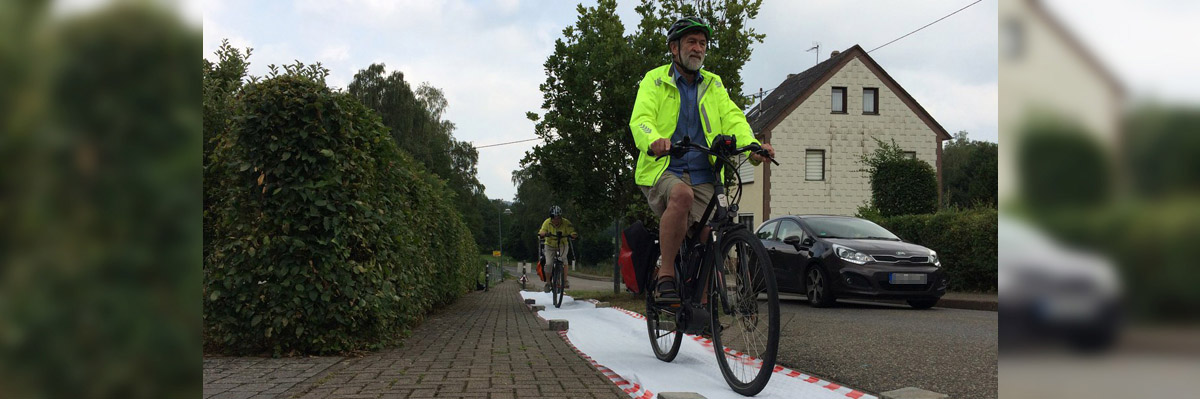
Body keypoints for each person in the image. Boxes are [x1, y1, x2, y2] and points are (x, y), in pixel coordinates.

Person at [628, 16, 775, 303]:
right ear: (674, 48)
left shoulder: (714, 84)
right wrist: (654, 140)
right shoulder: (654, 80)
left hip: (705, 172)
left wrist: (752, 146)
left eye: (703, 43)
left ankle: (703, 303)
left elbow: (733, 118)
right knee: (681, 196)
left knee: (714, 226)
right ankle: (666, 274)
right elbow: (641, 119)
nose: (698, 48)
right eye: (691, 42)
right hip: (665, 168)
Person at [538, 205, 578, 290]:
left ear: (561, 217)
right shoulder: (547, 222)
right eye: (554, 218)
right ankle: (548, 283)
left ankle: (565, 280)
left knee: (563, 259)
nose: (556, 220)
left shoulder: (566, 222)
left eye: (558, 218)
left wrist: (573, 235)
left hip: (562, 244)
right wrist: (543, 234)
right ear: (551, 217)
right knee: (548, 263)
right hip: (549, 245)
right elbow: (542, 231)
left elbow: (573, 232)